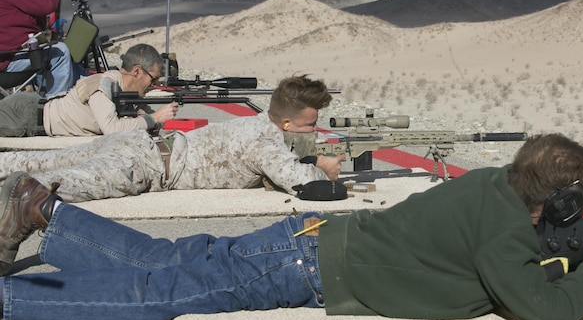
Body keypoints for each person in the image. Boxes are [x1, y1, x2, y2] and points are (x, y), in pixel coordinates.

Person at [0, 133, 583, 320]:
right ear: (557, 205)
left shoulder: (499, 190)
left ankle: (45, 211)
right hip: (304, 267)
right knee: (158, 294)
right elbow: (549, 309)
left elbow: (552, 260)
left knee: (171, 257)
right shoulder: (506, 233)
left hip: (304, 239)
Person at [0, 74, 346, 202]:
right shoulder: (265, 144)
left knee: (28, 161)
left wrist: (311, 159)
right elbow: (307, 188)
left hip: (139, 145)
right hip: (146, 167)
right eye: (308, 126)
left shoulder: (256, 124)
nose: (313, 132)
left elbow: (278, 164)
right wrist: (325, 171)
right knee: (39, 188)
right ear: (286, 122)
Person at [0, 43, 178, 137]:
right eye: (153, 79)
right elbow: (112, 129)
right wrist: (153, 118)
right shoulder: (104, 85)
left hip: (31, 110)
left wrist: (156, 118)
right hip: (24, 117)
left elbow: (147, 117)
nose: (154, 85)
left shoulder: (126, 90)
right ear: (137, 71)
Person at [0, 0, 80, 97]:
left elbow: (37, 19)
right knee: (60, 52)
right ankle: (55, 107)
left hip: (5, 57)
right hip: (7, 61)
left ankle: (82, 90)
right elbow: (47, 4)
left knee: (57, 57)